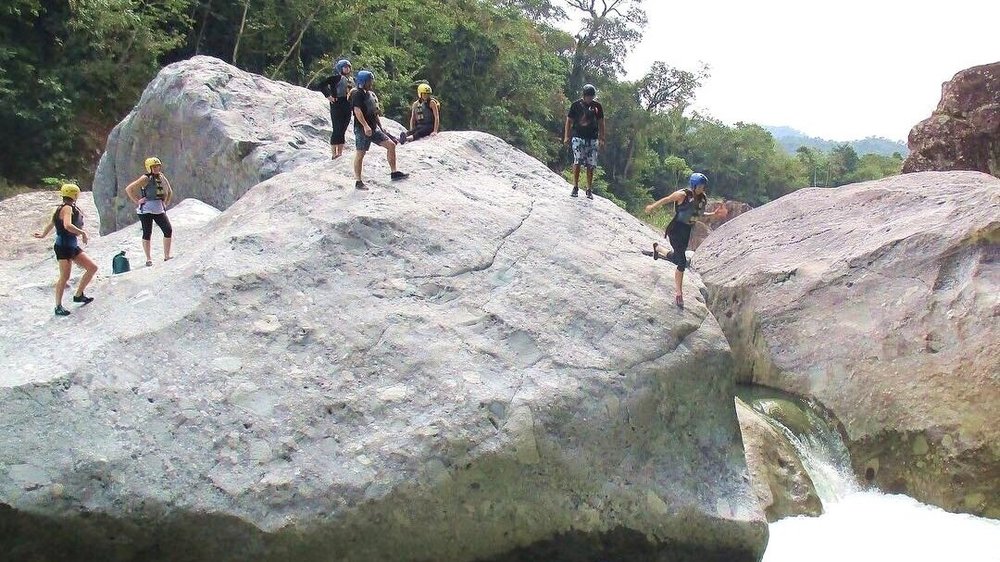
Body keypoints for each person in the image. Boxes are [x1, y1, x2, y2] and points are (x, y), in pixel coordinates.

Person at [643, 173, 729, 308]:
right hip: (676, 229)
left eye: (703, 186)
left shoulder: (702, 198)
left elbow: (698, 214)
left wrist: (713, 214)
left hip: (686, 231)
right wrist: (652, 207)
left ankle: (658, 248)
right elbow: (666, 199)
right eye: (700, 186)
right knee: (682, 262)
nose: (702, 188)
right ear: (693, 185)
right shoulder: (682, 195)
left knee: (677, 259)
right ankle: (679, 294)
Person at [33, 183, 98, 316]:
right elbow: (67, 225)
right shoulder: (67, 208)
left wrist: (43, 235)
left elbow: (52, 223)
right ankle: (58, 306)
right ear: (74, 194)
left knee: (92, 267)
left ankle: (79, 295)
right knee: (65, 277)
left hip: (71, 245)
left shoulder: (61, 208)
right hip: (64, 247)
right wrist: (82, 233)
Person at [350, 70, 408, 190]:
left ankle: (394, 172)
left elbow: (375, 112)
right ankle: (358, 181)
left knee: (391, 145)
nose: (371, 83)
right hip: (362, 128)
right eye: (369, 81)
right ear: (363, 82)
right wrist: (365, 126)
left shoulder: (370, 94)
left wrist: (380, 127)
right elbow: (357, 111)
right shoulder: (357, 94)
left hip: (373, 128)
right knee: (361, 153)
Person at [124, 157, 174, 266]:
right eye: (154, 167)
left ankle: (167, 255)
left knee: (168, 230)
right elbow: (129, 189)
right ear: (149, 168)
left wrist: (165, 203)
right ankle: (148, 259)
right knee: (147, 232)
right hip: (146, 209)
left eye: (158, 166)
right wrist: (137, 201)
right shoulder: (145, 178)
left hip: (158, 208)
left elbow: (169, 191)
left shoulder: (161, 177)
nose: (156, 168)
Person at [563, 83, 605, 199]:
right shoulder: (576, 105)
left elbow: (601, 122)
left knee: (591, 164)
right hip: (578, 137)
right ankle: (575, 186)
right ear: (584, 95)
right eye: (588, 96)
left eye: (591, 97)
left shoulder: (597, 107)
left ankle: (589, 189)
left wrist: (602, 138)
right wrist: (566, 136)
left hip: (592, 138)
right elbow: (569, 121)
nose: (590, 99)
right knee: (577, 161)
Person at [313, 59, 355, 159]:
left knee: (343, 128)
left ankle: (340, 153)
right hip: (337, 104)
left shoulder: (351, 80)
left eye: (348, 67)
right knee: (337, 128)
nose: (347, 69)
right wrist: (328, 96)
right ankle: (333, 153)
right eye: (345, 67)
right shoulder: (336, 78)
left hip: (347, 104)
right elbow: (321, 85)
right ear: (340, 68)